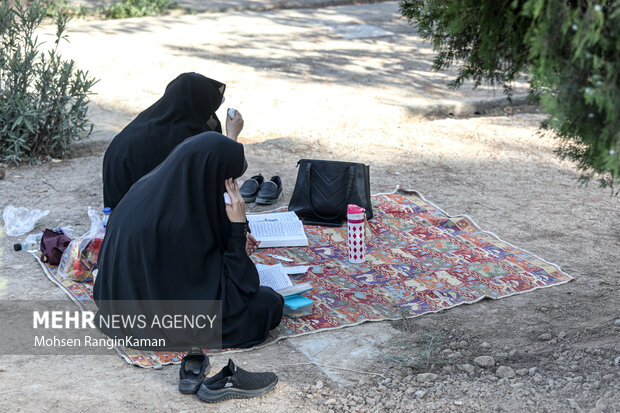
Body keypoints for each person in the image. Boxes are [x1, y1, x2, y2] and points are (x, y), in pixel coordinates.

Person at [93, 132, 283, 349]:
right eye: (228, 180)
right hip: (150, 323)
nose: (231, 187)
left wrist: (232, 237)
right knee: (267, 304)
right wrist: (237, 228)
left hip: (115, 307)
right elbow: (238, 289)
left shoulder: (152, 187)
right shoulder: (176, 223)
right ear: (212, 175)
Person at [102, 72, 245, 210]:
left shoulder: (140, 128)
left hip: (117, 224)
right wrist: (232, 135)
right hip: (154, 227)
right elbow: (223, 176)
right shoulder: (182, 141)